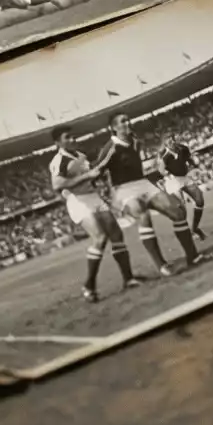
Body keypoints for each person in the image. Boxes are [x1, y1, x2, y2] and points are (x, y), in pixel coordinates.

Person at [92, 114, 201, 275]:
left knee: (177, 210)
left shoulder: (135, 142)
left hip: (143, 184)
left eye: (127, 119)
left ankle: (193, 257)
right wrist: (106, 197)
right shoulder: (110, 148)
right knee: (143, 216)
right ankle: (162, 266)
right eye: (122, 121)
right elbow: (95, 172)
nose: (127, 122)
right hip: (123, 190)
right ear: (114, 128)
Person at [48, 128, 138, 303]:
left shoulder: (80, 155)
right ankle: (89, 286)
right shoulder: (58, 160)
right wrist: (87, 175)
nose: (73, 139)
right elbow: (57, 185)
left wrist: (96, 175)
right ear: (58, 143)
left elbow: (88, 177)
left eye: (73, 135)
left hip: (94, 197)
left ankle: (129, 279)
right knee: (100, 238)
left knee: (116, 235)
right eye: (68, 137)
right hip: (78, 201)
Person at [157, 138, 207, 241]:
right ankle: (189, 234)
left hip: (184, 178)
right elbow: (161, 170)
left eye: (172, 140)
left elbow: (189, 159)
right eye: (168, 142)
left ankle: (195, 228)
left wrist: (195, 166)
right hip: (172, 180)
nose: (171, 143)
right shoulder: (165, 156)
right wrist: (167, 175)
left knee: (199, 199)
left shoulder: (183, 149)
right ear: (166, 145)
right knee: (181, 210)